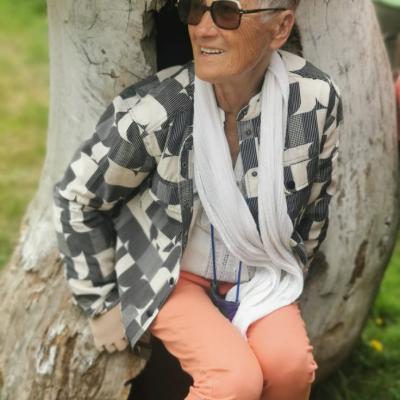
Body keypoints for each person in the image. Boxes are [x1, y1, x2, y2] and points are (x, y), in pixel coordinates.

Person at [53, 0, 343, 399]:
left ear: (280, 28)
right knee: (233, 381)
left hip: (262, 271)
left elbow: (317, 202)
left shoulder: (315, 99)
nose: (202, 28)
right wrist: (100, 302)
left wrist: (292, 265)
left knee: (290, 369)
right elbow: (78, 196)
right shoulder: (160, 108)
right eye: (194, 8)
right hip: (173, 275)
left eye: (226, 13)